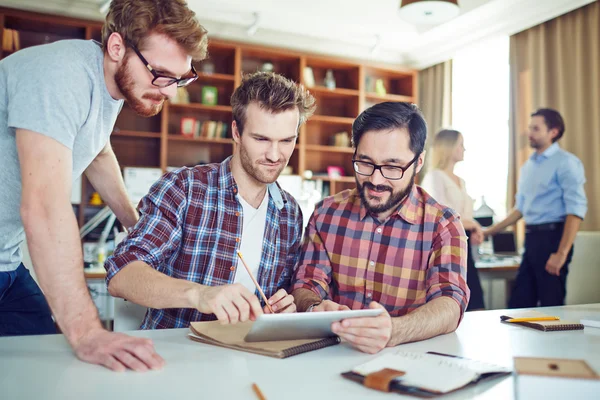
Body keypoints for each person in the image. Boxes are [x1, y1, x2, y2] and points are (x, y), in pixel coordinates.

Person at [0, 0, 207, 371]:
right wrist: (86, 332)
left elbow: (96, 152)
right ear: (116, 48)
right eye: (161, 74)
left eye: (183, 78)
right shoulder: (60, 75)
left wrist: (134, 223)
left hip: (6, 262)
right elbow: (44, 209)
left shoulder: (109, 88)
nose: (172, 92)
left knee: (40, 369)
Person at [105, 71, 316, 328]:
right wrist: (200, 294)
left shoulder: (289, 213)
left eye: (287, 141)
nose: (275, 155)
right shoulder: (184, 188)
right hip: (176, 356)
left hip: (249, 357)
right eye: (261, 139)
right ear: (236, 132)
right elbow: (122, 275)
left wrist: (285, 307)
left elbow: (281, 295)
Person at [291, 102, 469, 354]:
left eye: (392, 167)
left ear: (418, 162)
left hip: (410, 362)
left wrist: (394, 330)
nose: (375, 180)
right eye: (365, 163)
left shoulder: (444, 225)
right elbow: (306, 284)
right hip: (331, 357)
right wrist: (313, 308)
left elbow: (451, 304)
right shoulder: (326, 214)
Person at [484, 108, 587, 308]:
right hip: (531, 240)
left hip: (553, 239)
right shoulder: (528, 167)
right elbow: (520, 209)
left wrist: (561, 254)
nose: (529, 133)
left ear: (553, 132)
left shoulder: (567, 163)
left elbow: (575, 211)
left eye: (536, 128)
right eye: (530, 128)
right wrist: (490, 231)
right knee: (519, 305)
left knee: (551, 304)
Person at [421, 129, 485, 310]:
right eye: (460, 145)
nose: (464, 149)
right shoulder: (434, 177)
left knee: (476, 303)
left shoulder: (461, 181)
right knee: (454, 303)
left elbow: (464, 216)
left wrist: (473, 230)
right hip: (445, 249)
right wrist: (473, 224)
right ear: (449, 147)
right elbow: (439, 215)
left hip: (464, 249)